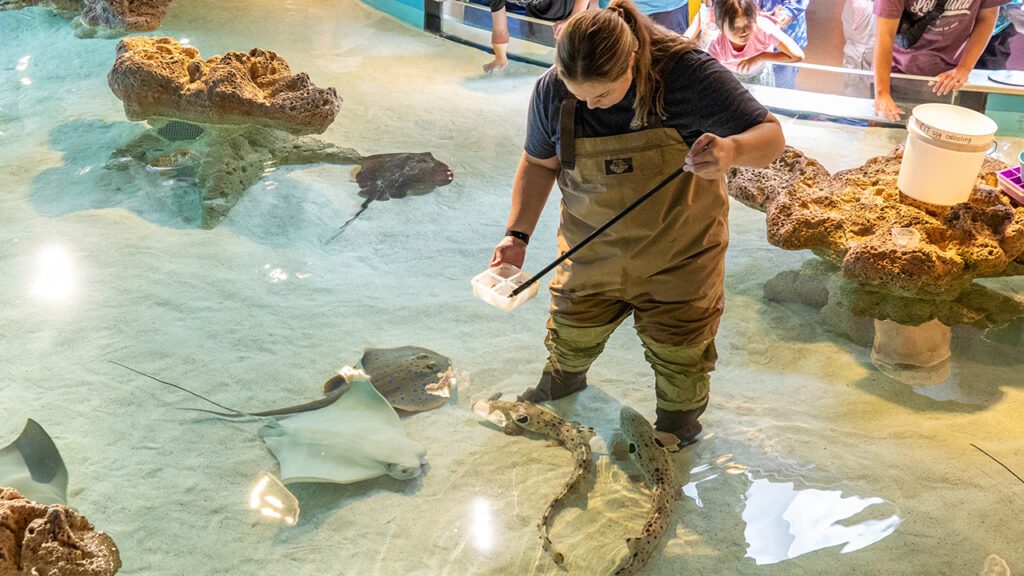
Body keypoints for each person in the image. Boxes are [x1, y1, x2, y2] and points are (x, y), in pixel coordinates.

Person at [488, 0, 785, 448]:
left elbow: (772, 138)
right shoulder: (553, 90)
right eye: (579, 94)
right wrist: (517, 235)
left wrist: (730, 152)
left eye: (601, 95)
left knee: (680, 357)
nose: (588, 103)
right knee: (569, 334)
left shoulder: (688, 75)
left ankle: (677, 426)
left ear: (630, 61)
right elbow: (537, 163)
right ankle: (563, 385)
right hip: (590, 251)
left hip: (681, 254)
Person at [873, 0, 1008, 120]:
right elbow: (885, 34)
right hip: (896, 73)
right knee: (887, 136)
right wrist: (882, 92)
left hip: (947, 77)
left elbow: (987, 17)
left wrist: (964, 68)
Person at [706, 0, 805, 86]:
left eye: (748, 23)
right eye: (735, 27)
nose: (744, 31)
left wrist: (759, 57)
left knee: (782, 82)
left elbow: (797, 55)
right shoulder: (717, 43)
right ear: (719, 27)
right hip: (730, 78)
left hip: (761, 72)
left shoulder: (763, 28)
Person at [484, 0, 597, 73]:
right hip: (536, 16)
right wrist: (500, 57)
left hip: (572, 10)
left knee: (575, 60)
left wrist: (573, 19)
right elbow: (500, 29)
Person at [757, 0, 810, 87]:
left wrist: (787, 13)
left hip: (784, 40)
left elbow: (797, 4)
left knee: (781, 85)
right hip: (754, 38)